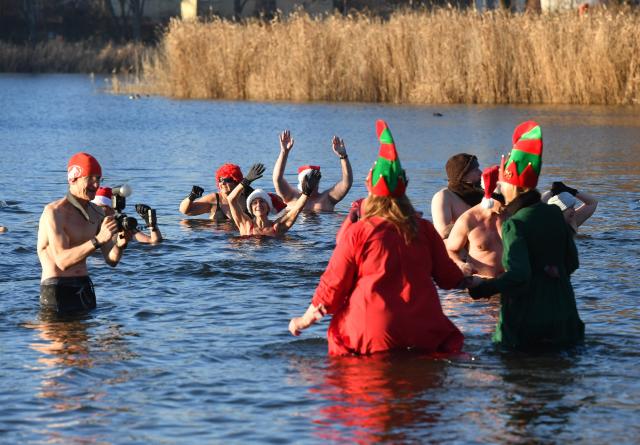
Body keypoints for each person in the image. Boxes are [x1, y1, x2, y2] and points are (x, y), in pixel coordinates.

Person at [288, 120, 475, 356]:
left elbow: (333, 284)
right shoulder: (424, 229)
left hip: (372, 330)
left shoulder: (358, 232)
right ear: (404, 186)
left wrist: (304, 320)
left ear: (370, 187)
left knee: (340, 355)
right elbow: (449, 278)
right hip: (423, 329)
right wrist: (472, 279)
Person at [469, 121, 584, 350]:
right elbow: (572, 263)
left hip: (527, 326)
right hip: (566, 321)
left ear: (512, 186)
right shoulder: (554, 214)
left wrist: (482, 288)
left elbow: (519, 275)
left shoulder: (515, 224)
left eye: (503, 184)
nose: (500, 189)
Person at [37, 152, 132, 314]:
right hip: (57, 287)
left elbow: (112, 260)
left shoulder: (97, 213)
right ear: (73, 178)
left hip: (84, 286)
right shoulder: (54, 212)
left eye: (98, 179)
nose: (96, 185)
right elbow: (62, 261)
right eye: (91, 178)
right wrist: (98, 239)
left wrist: (121, 244)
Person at [227, 163, 320, 236]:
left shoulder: (277, 227)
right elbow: (231, 199)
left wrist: (306, 193)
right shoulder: (245, 225)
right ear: (250, 209)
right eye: (254, 203)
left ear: (268, 207)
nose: (258, 205)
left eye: (262, 201)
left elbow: (296, 210)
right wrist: (245, 181)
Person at [446, 165, 506, 278]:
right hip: (482, 286)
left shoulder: (514, 215)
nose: (505, 205)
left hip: (511, 285)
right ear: (490, 198)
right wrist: (460, 264)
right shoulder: (469, 220)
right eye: (502, 201)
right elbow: (450, 250)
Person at [272, 130, 353, 212]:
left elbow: (347, 183)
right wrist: (284, 152)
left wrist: (343, 156)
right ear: (301, 182)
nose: (312, 183)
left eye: (315, 179)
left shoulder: (327, 198)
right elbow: (277, 179)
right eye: (308, 179)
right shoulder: (291, 196)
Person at [179, 163, 285, 223]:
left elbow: (279, 206)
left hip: (245, 237)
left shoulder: (250, 196)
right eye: (220, 180)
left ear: (236, 181)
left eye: (227, 180)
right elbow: (185, 211)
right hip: (218, 240)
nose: (222, 183)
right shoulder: (214, 198)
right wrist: (192, 196)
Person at [431, 153, 483, 239]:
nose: (481, 172)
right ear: (463, 175)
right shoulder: (444, 197)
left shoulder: (484, 195)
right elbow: (442, 233)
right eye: (475, 170)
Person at [91, 187, 163, 244]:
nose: (94, 209)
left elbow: (154, 241)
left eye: (99, 206)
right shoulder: (86, 224)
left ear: (111, 209)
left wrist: (151, 223)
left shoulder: (122, 226)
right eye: (92, 206)